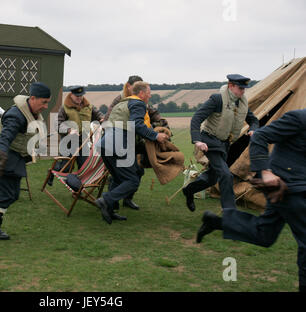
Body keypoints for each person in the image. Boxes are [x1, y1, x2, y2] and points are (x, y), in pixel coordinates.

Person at [195, 109, 306, 292]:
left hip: (297, 186)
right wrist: (265, 172)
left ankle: (217, 222)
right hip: (285, 187)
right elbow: (260, 136)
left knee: (264, 235)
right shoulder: (299, 118)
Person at [0, 82, 51, 240]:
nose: (45, 106)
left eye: (47, 102)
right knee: (9, 195)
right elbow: (5, 139)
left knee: (12, 194)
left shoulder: (31, 112)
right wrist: (0, 163)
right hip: (3, 157)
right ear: (33, 98)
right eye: (44, 102)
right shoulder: (16, 116)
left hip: (14, 157)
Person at [182, 74, 259, 211]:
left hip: (225, 144)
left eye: (244, 88)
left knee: (213, 178)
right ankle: (230, 212)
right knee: (226, 174)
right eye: (240, 88)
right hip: (210, 141)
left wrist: (253, 129)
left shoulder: (242, 102)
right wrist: (197, 140)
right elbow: (196, 118)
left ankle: (189, 190)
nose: (243, 91)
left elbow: (254, 120)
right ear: (231, 86)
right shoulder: (217, 99)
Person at [96, 81, 169, 224]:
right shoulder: (138, 104)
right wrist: (156, 136)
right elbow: (136, 124)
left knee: (118, 178)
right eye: (149, 93)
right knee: (132, 179)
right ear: (141, 93)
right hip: (118, 145)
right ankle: (106, 200)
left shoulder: (122, 103)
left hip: (105, 145)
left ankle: (110, 210)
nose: (149, 96)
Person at [47, 85, 103, 186]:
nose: (79, 98)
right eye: (77, 96)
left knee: (84, 166)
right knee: (66, 168)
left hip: (84, 142)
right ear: (71, 95)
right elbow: (58, 124)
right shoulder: (64, 108)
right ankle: (52, 171)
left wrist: (102, 119)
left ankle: (78, 189)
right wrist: (69, 130)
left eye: (81, 96)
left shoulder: (89, 107)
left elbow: (99, 116)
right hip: (69, 142)